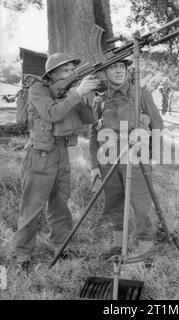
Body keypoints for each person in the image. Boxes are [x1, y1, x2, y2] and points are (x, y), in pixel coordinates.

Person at [14, 52, 100, 273]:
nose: (72, 73)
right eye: (66, 71)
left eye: (73, 70)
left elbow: (90, 119)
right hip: (40, 155)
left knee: (60, 205)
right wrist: (76, 93)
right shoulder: (38, 90)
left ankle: (61, 248)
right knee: (32, 206)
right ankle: (23, 254)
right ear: (52, 74)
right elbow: (51, 113)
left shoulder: (70, 92)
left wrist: (84, 95)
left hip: (61, 152)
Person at [88, 58, 163, 263]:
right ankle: (117, 248)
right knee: (113, 204)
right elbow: (94, 134)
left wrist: (154, 157)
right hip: (108, 159)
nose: (118, 71)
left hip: (137, 157)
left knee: (142, 205)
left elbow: (157, 124)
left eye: (121, 66)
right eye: (113, 67)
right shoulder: (100, 100)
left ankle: (145, 254)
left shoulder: (141, 94)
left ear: (127, 71)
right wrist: (94, 166)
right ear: (105, 74)